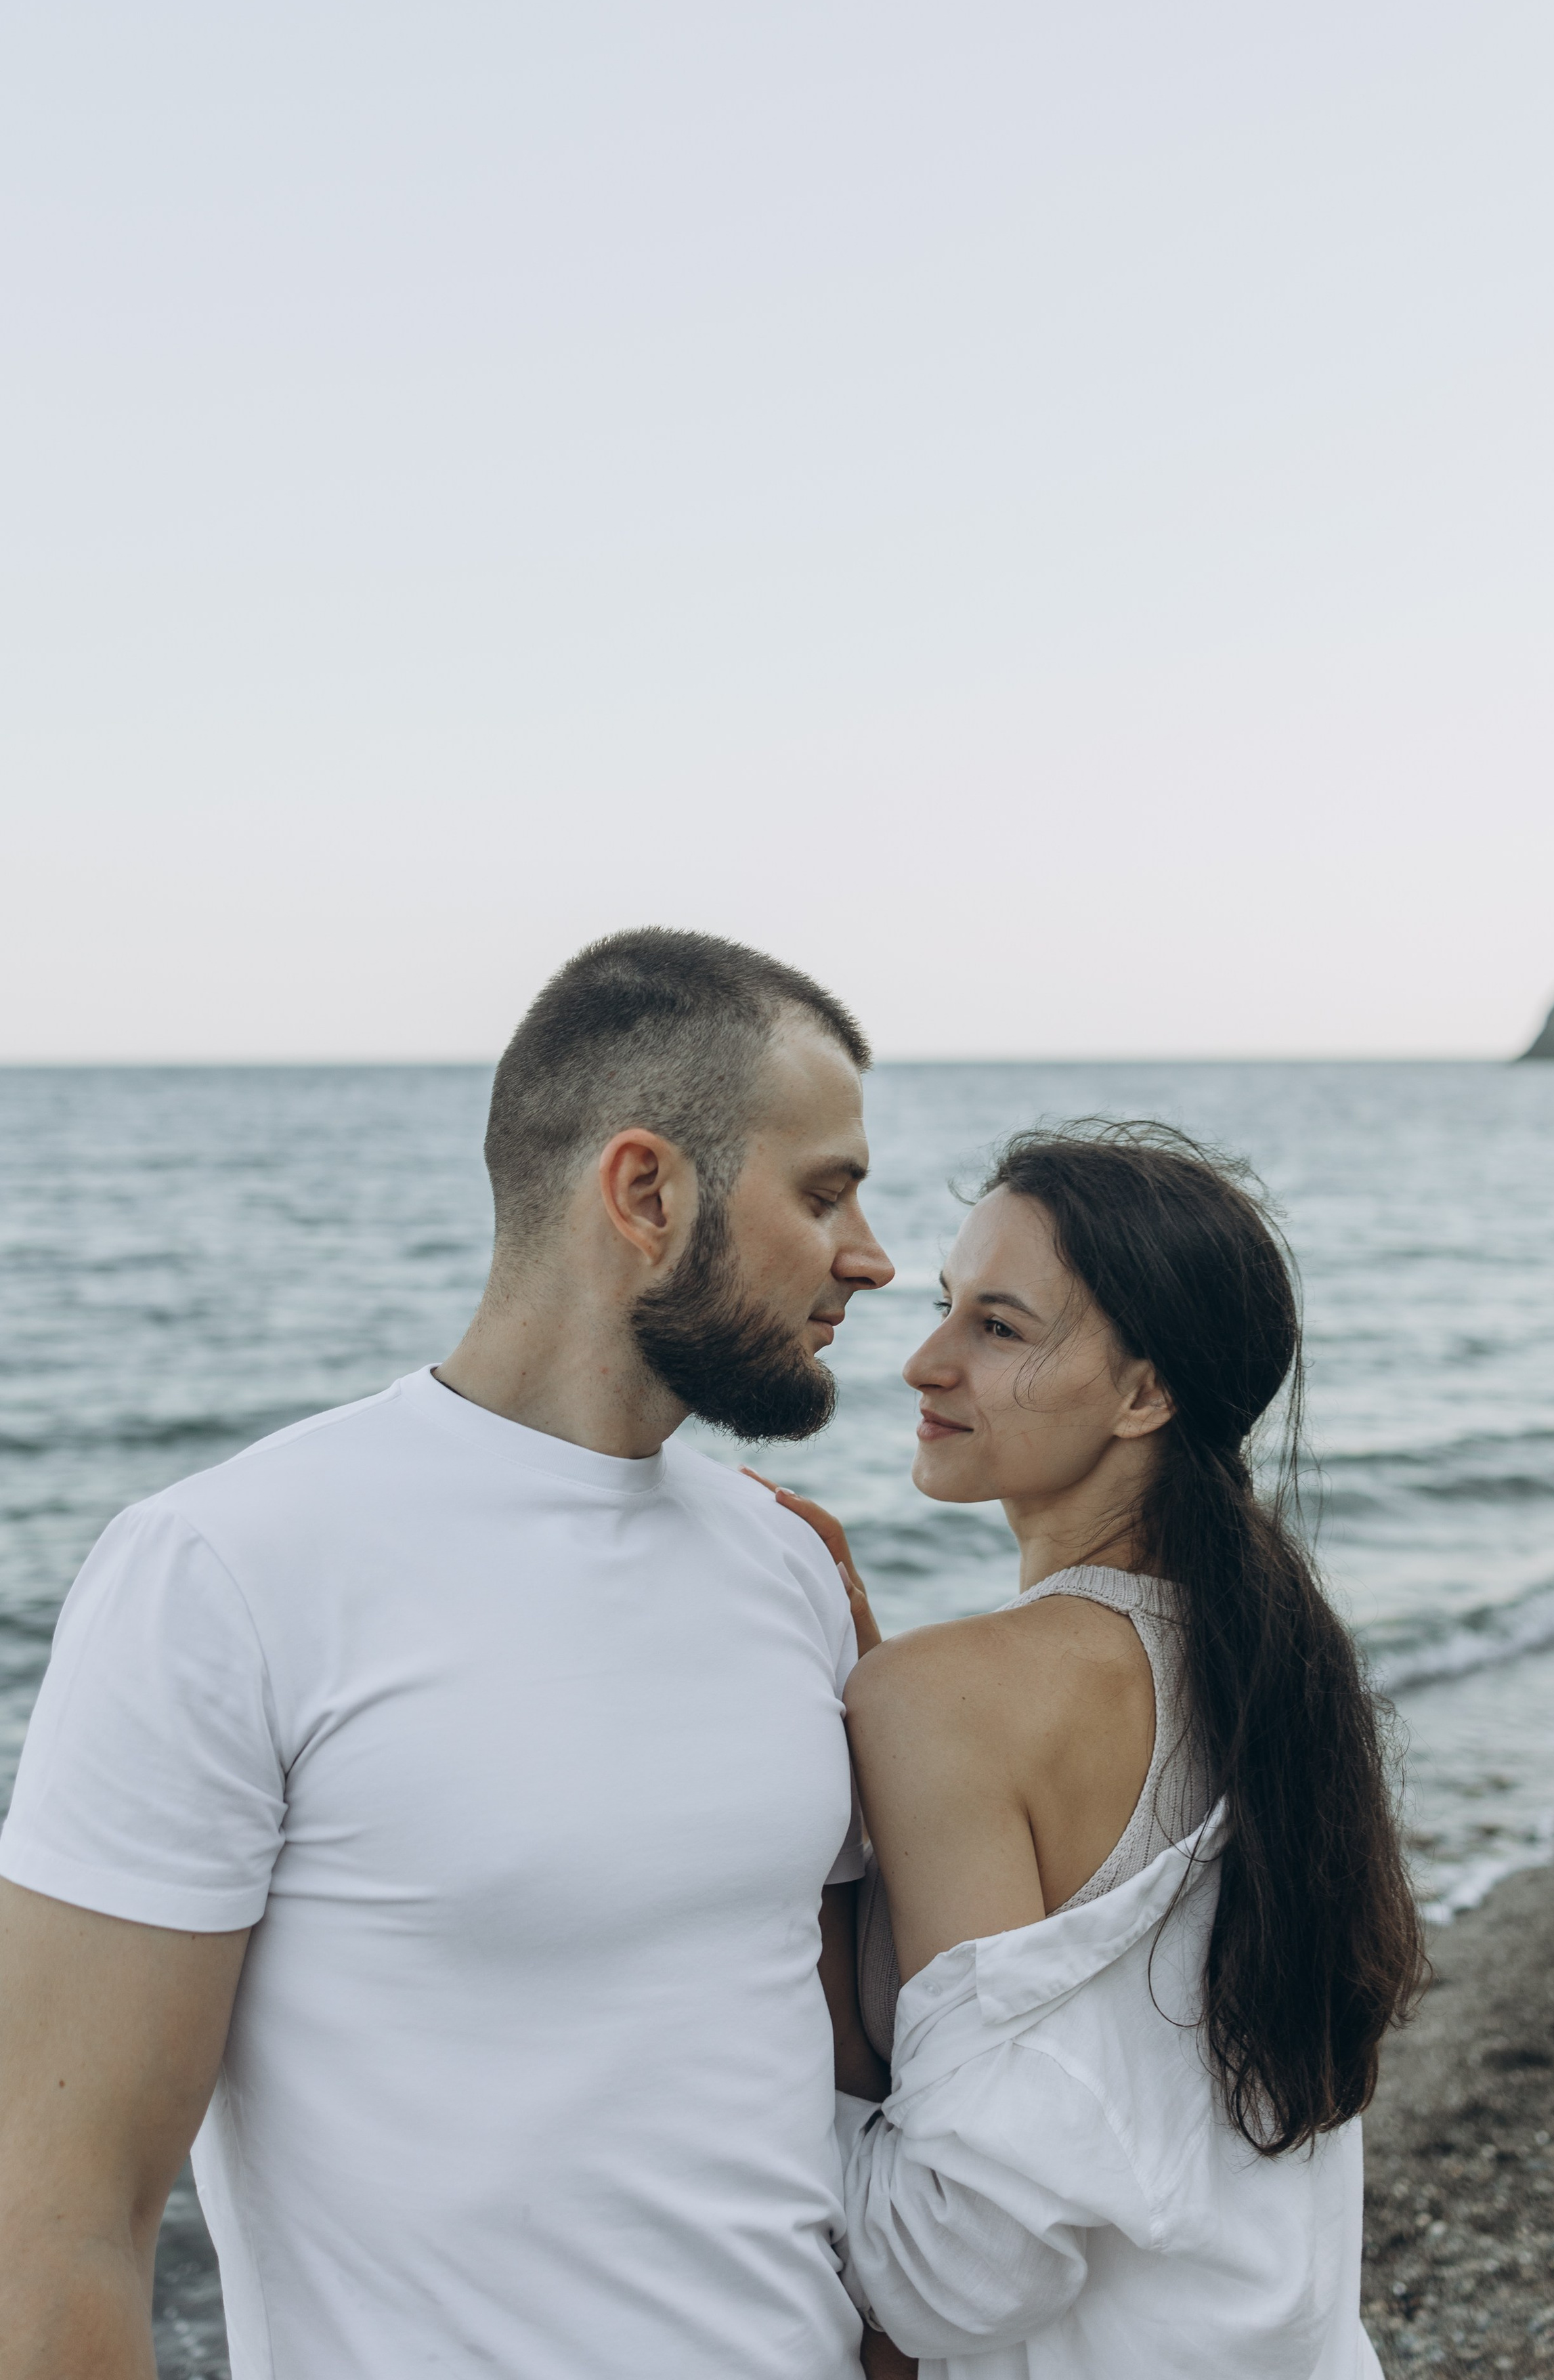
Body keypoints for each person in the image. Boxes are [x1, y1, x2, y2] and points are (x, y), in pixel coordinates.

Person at [0, 929, 895, 2380]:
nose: (870, 1256)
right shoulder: (225, 1570)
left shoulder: (789, 1563)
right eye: (824, 1193)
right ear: (646, 1191)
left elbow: (849, 2084)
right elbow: (60, 2222)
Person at [771, 1120, 1427, 2378]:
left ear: (1145, 1393)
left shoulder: (951, 1698)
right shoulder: (1278, 1665)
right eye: (948, 1306)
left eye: (997, 1329)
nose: (923, 1360)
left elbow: (959, 2272)